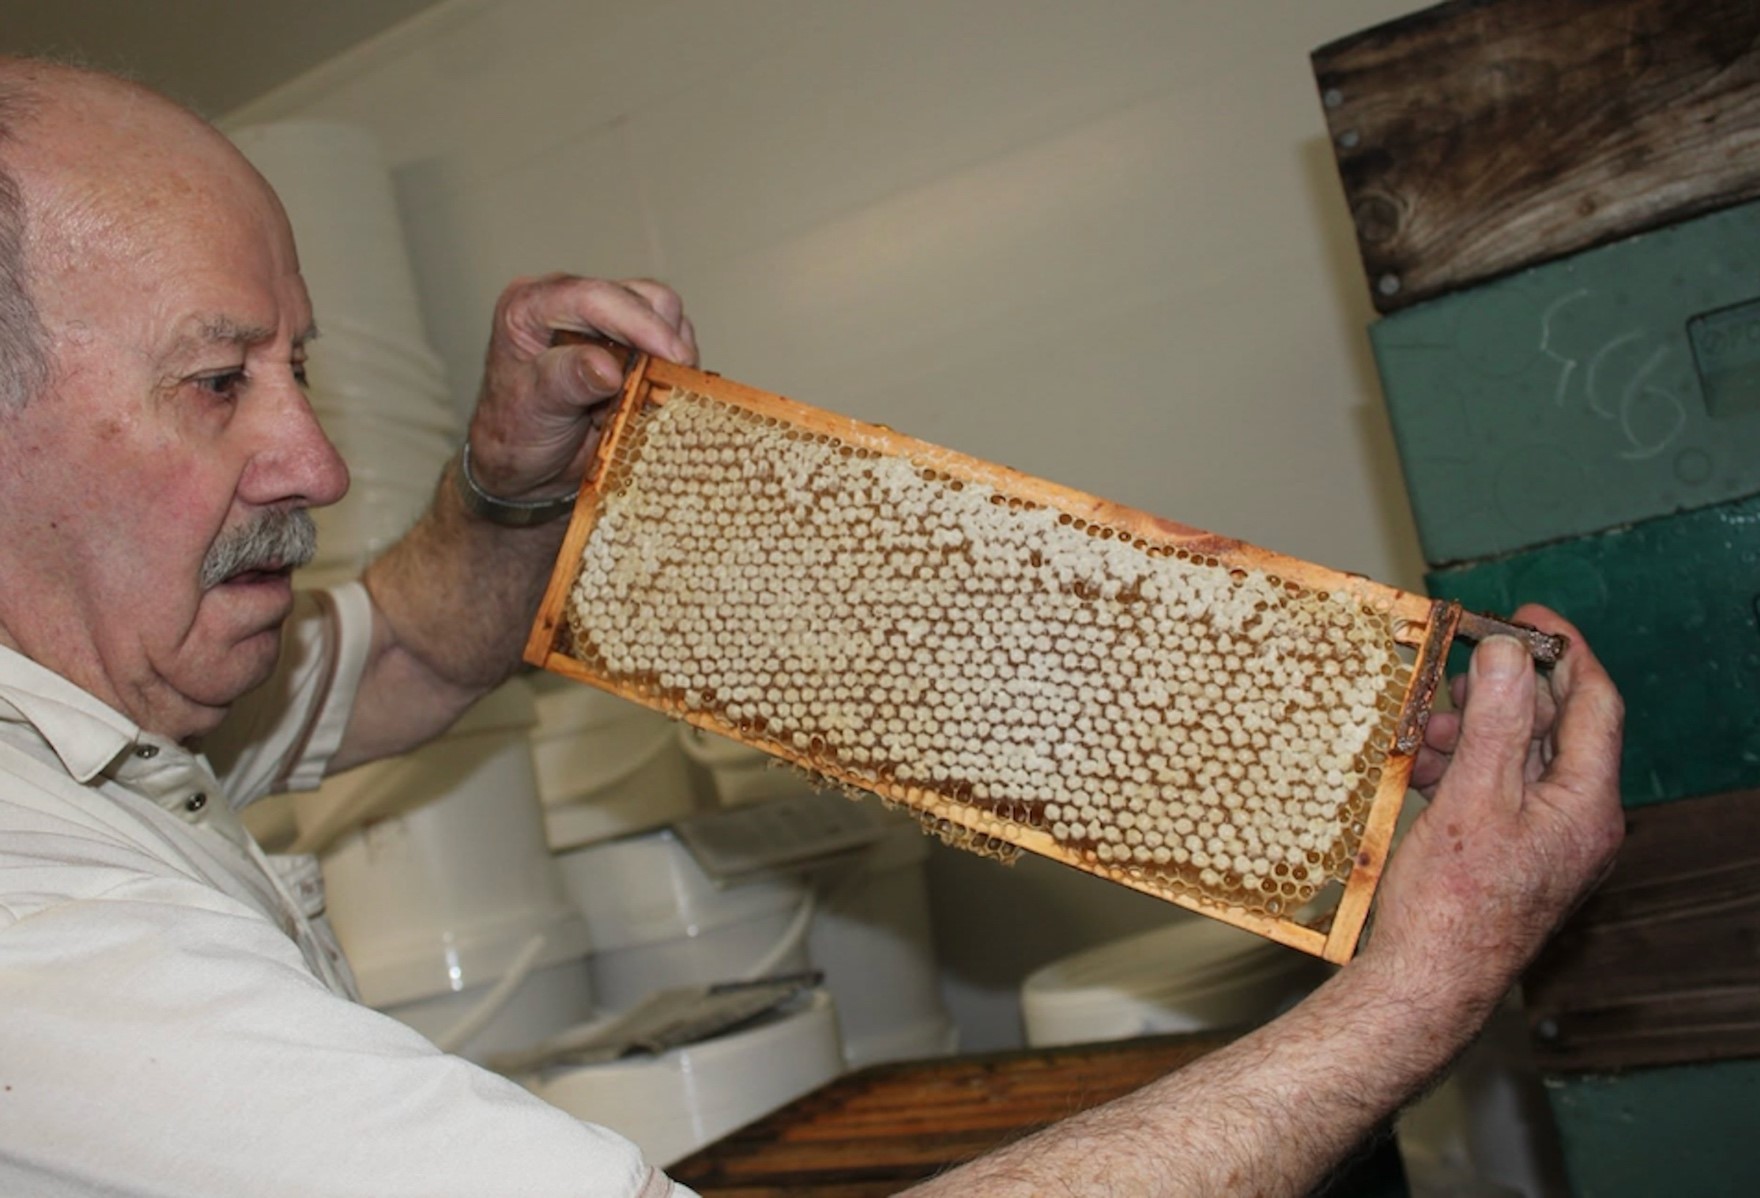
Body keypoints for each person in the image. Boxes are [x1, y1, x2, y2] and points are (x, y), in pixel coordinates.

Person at [0, 59, 1625, 1198]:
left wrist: (507, 496)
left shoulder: (109, 692)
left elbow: (410, 652)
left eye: (301, 364)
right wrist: (1423, 987)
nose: (318, 461)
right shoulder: (46, 944)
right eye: (222, 381)